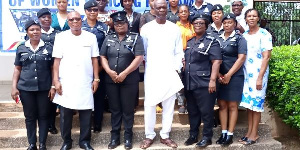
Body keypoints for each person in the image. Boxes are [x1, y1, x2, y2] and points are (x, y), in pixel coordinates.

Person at [52, 11, 99, 150]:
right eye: (71, 20)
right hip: (66, 81)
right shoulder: (61, 37)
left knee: (86, 112)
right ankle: (66, 141)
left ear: (81, 20)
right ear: (67, 21)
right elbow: (56, 61)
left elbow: (94, 59)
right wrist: (56, 81)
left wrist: (96, 78)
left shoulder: (90, 37)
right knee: (65, 114)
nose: (74, 22)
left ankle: (84, 141)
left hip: (86, 81)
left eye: (77, 19)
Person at [140, 0, 184, 148]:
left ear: (167, 9)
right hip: (152, 72)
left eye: (163, 7)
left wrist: (175, 68)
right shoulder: (146, 28)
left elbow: (179, 51)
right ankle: (149, 135)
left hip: (169, 72)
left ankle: (165, 135)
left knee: (169, 105)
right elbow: (143, 52)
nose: (161, 9)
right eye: (158, 7)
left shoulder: (174, 28)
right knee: (150, 104)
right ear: (153, 8)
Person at [100, 11, 145, 150]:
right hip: (111, 79)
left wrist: (125, 73)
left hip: (129, 79)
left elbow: (139, 58)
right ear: (114, 25)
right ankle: (114, 138)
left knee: (127, 109)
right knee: (115, 109)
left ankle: (127, 138)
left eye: (122, 23)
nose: (119, 26)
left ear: (127, 24)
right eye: (117, 24)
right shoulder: (109, 38)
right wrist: (108, 71)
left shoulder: (135, 37)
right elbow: (102, 56)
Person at [11, 19, 54, 150]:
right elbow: (17, 68)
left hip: (44, 88)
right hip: (26, 88)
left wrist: (53, 86)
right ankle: (31, 144)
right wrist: (14, 87)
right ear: (27, 32)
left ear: (41, 31)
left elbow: (53, 69)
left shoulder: (48, 47)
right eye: (32, 30)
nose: (35, 32)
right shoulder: (21, 48)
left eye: (37, 29)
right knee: (30, 117)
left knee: (43, 116)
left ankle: (42, 144)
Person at [183, 13, 222, 148]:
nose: (198, 25)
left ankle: (207, 137)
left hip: (205, 83)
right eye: (196, 23)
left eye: (201, 23)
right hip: (189, 82)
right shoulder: (189, 42)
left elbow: (216, 61)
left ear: (206, 26)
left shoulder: (212, 41)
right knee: (192, 111)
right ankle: (193, 135)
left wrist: (212, 80)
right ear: (192, 25)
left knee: (206, 111)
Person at [239, 8, 272, 145]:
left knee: (256, 105)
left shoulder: (264, 34)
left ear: (258, 18)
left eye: (254, 16)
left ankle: (255, 134)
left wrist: (260, 78)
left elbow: (266, 57)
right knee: (249, 105)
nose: (251, 18)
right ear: (245, 19)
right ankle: (249, 132)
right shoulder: (245, 35)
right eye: (249, 16)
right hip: (247, 75)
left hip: (259, 75)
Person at [215, 13, 247, 145]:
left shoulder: (240, 39)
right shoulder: (218, 38)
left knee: (233, 105)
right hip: (220, 76)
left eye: (230, 22)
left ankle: (230, 134)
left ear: (235, 24)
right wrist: (218, 75)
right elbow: (214, 58)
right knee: (222, 105)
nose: (227, 25)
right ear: (222, 24)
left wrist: (228, 75)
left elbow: (241, 58)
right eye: (225, 22)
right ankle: (223, 133)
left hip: (235, 77)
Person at [82, 0, 107, 134]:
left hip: (100, 67)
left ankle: (97, 123)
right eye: (89, 10)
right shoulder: (79, 26)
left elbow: (106, 49)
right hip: (83, 68)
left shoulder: (104, 27)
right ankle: (86, 123)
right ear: (85, 11)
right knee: (85, 96)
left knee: (98, 96)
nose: (92, 12)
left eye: (95, 10)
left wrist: (100, 68)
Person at [36, 8, 60, 135]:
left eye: (48, 17)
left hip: (56, 68)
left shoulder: (58, 34)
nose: (46, 19)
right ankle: (43, 124)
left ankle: (52, 124)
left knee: (53, 98)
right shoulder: (35, 32)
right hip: (41, 69)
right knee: (44, 98)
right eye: (43, 17)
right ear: (39, 19)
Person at [175, 4, 195, 114]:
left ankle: (190, 103)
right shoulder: (174, 27)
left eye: (185, 11)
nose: (183, 13)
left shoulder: (192, 26)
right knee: (179, 80)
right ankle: (181, 103)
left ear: (188, 13)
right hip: (178, 55)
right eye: (181, 11)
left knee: (189, 80)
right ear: (178, 14)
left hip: (191, 55)